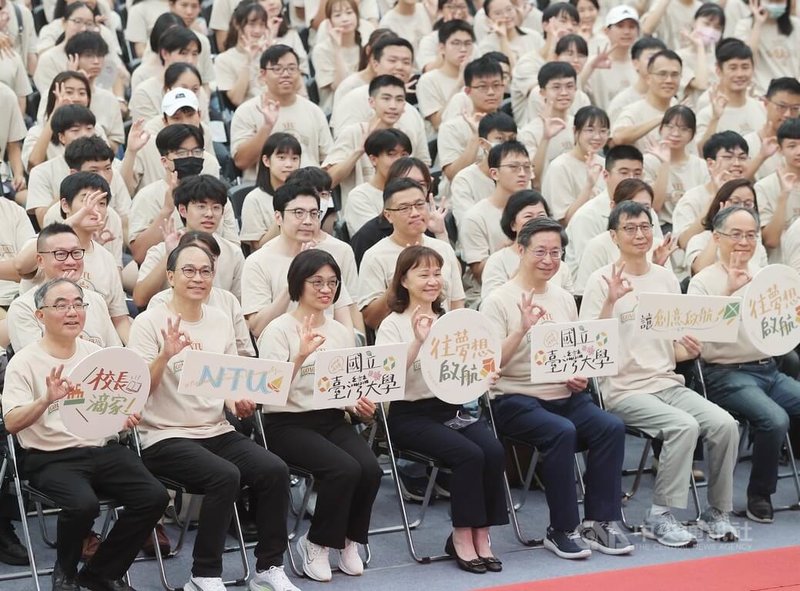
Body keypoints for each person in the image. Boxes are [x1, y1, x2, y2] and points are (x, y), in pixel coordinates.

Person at [127, 242, 297, 591]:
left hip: (214, 429)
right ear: (170, 276)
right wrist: (164, 355)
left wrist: (238, 402)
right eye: (188, 271)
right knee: (225, 476)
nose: (198, 278)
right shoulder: (148, 322)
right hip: (164, 435)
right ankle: (204, 574)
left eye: (205, 271)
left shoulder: (219, 321)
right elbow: (138, 390)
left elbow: (229, 378)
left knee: (275, 470)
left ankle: (269, 567)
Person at [580, 200, 740, 547]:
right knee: (683, 426)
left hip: (666, 381)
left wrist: (689, 348)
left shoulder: (665, 277)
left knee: (725, 424)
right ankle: (659, 516)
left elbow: (673, 346)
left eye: (645, 226)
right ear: (614, 235)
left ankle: (716, 511)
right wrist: (610, 301)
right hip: (622, 389)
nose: (639, 234)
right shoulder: (600, 280)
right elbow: (588, 346)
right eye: (630, 228)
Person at [2, 277, 168, 591]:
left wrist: (124, 417)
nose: (72, 311)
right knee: (83, 504)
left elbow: (111, 410)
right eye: (61, 305)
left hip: (101, 449)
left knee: (154, 496)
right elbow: (11, 423)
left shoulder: (97, 356)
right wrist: (45, 400)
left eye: (78, 304)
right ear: (40, 315)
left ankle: (101, 572)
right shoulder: (23, 362)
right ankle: (64, 573)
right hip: (49, 457)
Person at [483, 217, 631, 558]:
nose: (549, 260)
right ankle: (561, 528)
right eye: (541, 252)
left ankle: (599, 522)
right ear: (520, 250)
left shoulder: (563, 297)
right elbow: (488, 364)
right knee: (561, 431)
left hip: (564, 394)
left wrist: (577, 373)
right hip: (516, 398)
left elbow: (577, 349)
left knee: (611, 427)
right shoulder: (498, 300)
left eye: (556, 252)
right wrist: (521, 330)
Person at [377, 245, 508, 573]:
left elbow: (469, 369)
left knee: (492, 450)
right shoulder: (393, 324)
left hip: (450, 409)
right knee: (469, 455)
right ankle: (461, 535)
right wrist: (419, 341)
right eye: (423, 274)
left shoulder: (452, 321)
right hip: (409, 414)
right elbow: (385, 378)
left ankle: (483, 533)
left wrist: (484, 375)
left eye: (437, 273)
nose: (432, 280)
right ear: (404, 280)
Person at [258, 249, 381, 582]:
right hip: (286, 423)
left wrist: (359, 405)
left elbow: (348, 387)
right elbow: (267, 394)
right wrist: (299, 356)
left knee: (370, 468)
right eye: (317, 282)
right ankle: (315, 544)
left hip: (330, 418)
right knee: (343, 469)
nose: (326, 289)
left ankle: (349, 541)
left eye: (332, 283)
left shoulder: (342, 332)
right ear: (299, 283)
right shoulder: (278, 330)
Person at [689, 205, 800, 523]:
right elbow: (701, 344)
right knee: (775, 419)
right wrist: (729, 293)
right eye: (735, 234)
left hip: (768, 369)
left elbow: (781, 329)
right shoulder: (703, 282)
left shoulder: (767, 279)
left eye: (751, 234)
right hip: (724, 373)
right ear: (717, 237)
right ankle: (759, 496)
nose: (744, 241)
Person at [241, 182, 357, 338]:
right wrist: (293, 281)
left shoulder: (324, 258)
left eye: (314, 213)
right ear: (278, 217)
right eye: (298, 213)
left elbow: (344, 319)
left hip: (327, 351)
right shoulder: (258, 262)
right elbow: (257, 328)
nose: (308, 221)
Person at [358, 178, 463, 329]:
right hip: (398, 342)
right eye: (404, 208)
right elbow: (371, 320)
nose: (414, 213)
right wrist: (399, 280)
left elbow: (456, 304)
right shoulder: (374, 256)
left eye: (420, 205)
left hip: (443, 339)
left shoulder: (443, 248)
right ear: (388, 215)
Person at [134, 174, 245, 308]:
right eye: (201, 206)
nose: (209, 214)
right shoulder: (160, 250)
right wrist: (170, 255)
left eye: (216, 207)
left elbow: (241, 306)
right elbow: (140, 299)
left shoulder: (233, 253)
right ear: (182, 210)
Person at [8, 223, 120, 352]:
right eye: (60, 254)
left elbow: (114, 354)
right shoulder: (23, 307)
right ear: (40, 260)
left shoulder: (96, 300)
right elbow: (36, 362)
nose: (71, 261)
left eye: (76, 253)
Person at [231, 44, 332, 181]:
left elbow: (328, 161)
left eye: (291, 68)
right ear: (263, 75)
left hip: (309, 192)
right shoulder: (247, 111)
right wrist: (266, 127)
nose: (286, 74)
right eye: (277, 69)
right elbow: (241, 161)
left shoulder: (314, 111)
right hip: (265, 193)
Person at [564, 145, 644, 280]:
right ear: (606, 175)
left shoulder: (645, 210)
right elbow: (590, 267)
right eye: (624, 173)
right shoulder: (587, 216)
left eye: (637, 173)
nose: (631, 179)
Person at [461, 140, 532, 284]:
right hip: (491, 289)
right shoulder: (475, 217)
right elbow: (478, 273)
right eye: (514, 167)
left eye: (527, 167)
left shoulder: (536, 210)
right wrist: (506, 252)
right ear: (494, 173)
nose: (523, 173)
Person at [481, 190, 574, 299]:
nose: (536, 222)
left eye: (541, 216)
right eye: (528, 216)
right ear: (513, 225)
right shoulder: (498, 261)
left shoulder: (559, 266)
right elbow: (491, 304)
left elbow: (569, 306)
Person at [643, 105, 709, 230]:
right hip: (660, 227)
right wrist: (665, 164)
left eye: (684, 129)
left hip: (692, 227)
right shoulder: (648, 163)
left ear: (692, 134)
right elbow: (654, 207)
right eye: (670, 127)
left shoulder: (701, 166)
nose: (675, 133)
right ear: (661, 129)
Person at [339, 127, 412, 236]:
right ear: (373, 159)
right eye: (391, 154)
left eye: (404, 155)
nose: (399, 161)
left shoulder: (413, 192)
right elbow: (375, 236)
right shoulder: (360, 196)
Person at [541, 105, 607, 224]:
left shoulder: (605, 164)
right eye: (590, 130)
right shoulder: (559, 167)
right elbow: (565, 221)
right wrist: (589, 186)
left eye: (603, 131)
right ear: (575, 131)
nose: (597, 137)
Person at [696, 39, 766, 151]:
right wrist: (715, 118)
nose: (739, 74)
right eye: (733, 68)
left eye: (745, 67)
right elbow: (701, 152)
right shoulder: (707, 114)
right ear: (718, 70)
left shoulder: (763, 108)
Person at [685, 179, 767, 275]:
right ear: (720, 204)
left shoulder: (756, 246)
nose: (741, 208)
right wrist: (720, 225)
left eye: (748, 204)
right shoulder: (700, 239)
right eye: (735, 202)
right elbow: (699, 270)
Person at [451, 112, 517, 229]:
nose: (506, 145)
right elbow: (468, 226)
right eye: (500, 139)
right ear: (482, 143)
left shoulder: (520, 174)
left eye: (512, 139)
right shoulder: (464, 180)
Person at [240, 133, 302, 250]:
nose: (289, 165)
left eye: (294, 159)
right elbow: (259, 247)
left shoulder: (305, 197)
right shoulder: (254, 199)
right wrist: (284, 209)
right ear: (266, 160)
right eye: (282, 158)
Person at [612, 49, 683, 152]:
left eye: (675, 75)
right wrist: (661, 119)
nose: (669, 80)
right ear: (648, 78)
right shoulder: (634, 111)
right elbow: (618, 137)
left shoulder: (679, 109)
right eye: (662, 74)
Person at [417, 19, 475, 132]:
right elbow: (437, 123)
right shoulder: (428, 80)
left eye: (468, 44)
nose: (463, 49)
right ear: (442, 48)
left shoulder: (477, 76)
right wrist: (459, 84)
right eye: (456, 43)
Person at [756, 117, 800, 261]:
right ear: (780, 149)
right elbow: (770, 241)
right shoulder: (764, 187)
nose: (798, 151)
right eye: (792, 146)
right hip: (781, 271)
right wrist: (784, 196)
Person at [745, 77, 800, 181]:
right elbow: (734, 185)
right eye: (781, 106)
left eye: (795, 108)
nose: (788, 114)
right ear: (766, 103)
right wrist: (761, 157)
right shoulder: (748, 144)